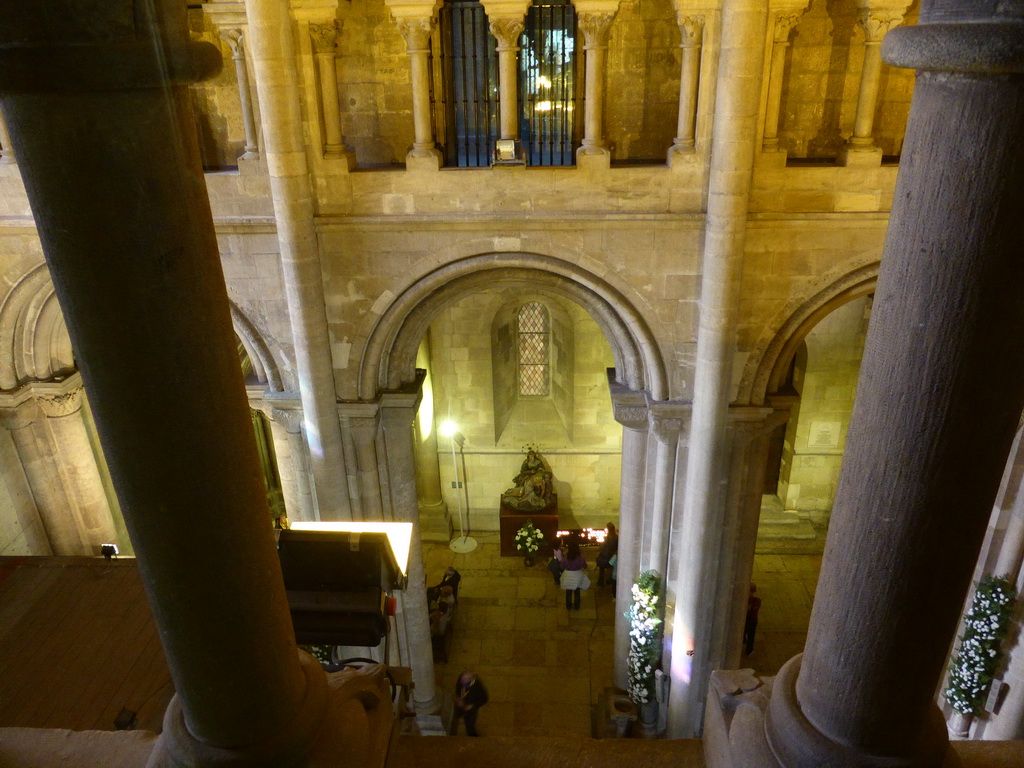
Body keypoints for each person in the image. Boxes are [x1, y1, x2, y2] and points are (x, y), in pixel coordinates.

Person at [452, 670, 488, 736]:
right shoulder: (461, 681)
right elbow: (458, 689)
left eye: (465, 679)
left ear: (470, 679)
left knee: (469, 724)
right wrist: (458, 698)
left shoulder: (477, 686)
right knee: (458, 714)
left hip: (471, 709)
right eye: (462, 678)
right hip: (461, 705)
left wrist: (472, 705)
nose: (462, 681)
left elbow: (484, 699)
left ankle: (473, 736)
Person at [560, 539, 588, 610]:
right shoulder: (580, 558)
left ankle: (568, 606)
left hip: (567, 576)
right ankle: (576, 606)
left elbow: (562, 566)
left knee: (568, 592)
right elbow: (585, 566)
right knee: (577, 592)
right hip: (577, 576)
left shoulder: (566, 558)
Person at [596, 522, 618, 587]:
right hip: (613, 555)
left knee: (602, 568)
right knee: (610, 568)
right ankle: (609, 580)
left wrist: (599, 552)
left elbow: (602, 547)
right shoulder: (617, 537)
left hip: (606, 556)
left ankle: (601, 581)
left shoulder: (607, 538)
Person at [744, 583, 762, 655]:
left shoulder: (743, 600)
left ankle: (748, 648)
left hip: (749, 620)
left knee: (749, 634)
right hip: (752, 620)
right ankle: (749, 650)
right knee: (750, 635)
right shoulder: (757, 600)